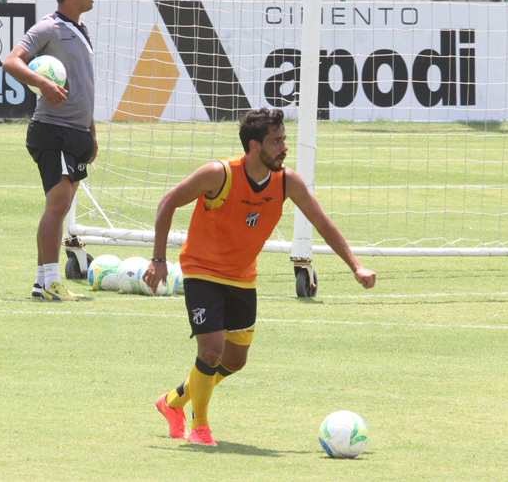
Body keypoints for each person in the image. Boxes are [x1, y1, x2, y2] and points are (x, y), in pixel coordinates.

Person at [142, 107, 376, 446]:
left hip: (242, 277)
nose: (284, 147)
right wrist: (159, 259)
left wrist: (356, 266)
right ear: (255, 146)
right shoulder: (218, 174)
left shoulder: (287, 182)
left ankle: (172, 403)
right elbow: (168, 203)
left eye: (284, 139)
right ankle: (201, 427)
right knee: (211, 351)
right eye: (276, 141)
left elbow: (322, 222)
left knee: (235, 361)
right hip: (202, 271)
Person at [3, 0, 97, 301]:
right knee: (57, 204)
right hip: (51, 130)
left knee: (63, 203)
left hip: (77, 133)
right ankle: (47, 282)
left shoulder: (81, 30)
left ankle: (45, 282)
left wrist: (92, 131)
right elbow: (12, 61)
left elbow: (84, 86)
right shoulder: (48, 27)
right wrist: (43, 82)